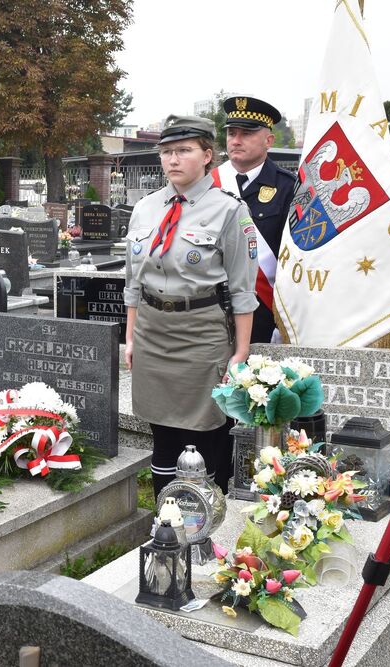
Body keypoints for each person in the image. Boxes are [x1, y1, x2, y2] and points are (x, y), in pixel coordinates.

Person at [123, 115, 258, 498]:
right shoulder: (146, 208)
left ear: (207, 155)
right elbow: (134, 283)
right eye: (166, 152)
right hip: (152, 333)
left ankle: (202, 519)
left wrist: (240, 353)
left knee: (203, 435)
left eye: (184, 150)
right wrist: (131, 337)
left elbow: (243, 290)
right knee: (163, 436)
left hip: (201, 334)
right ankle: (166, 517)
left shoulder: (229, 211)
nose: (173, 159)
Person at [213, 96, 296, 343]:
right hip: (210, 309)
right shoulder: (208, 184)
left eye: (246, 134)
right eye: (231, 133)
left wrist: (283, 322)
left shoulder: (289, 187)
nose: (236, 141)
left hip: (262, 313)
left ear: (269, 140)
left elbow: (294, 261)